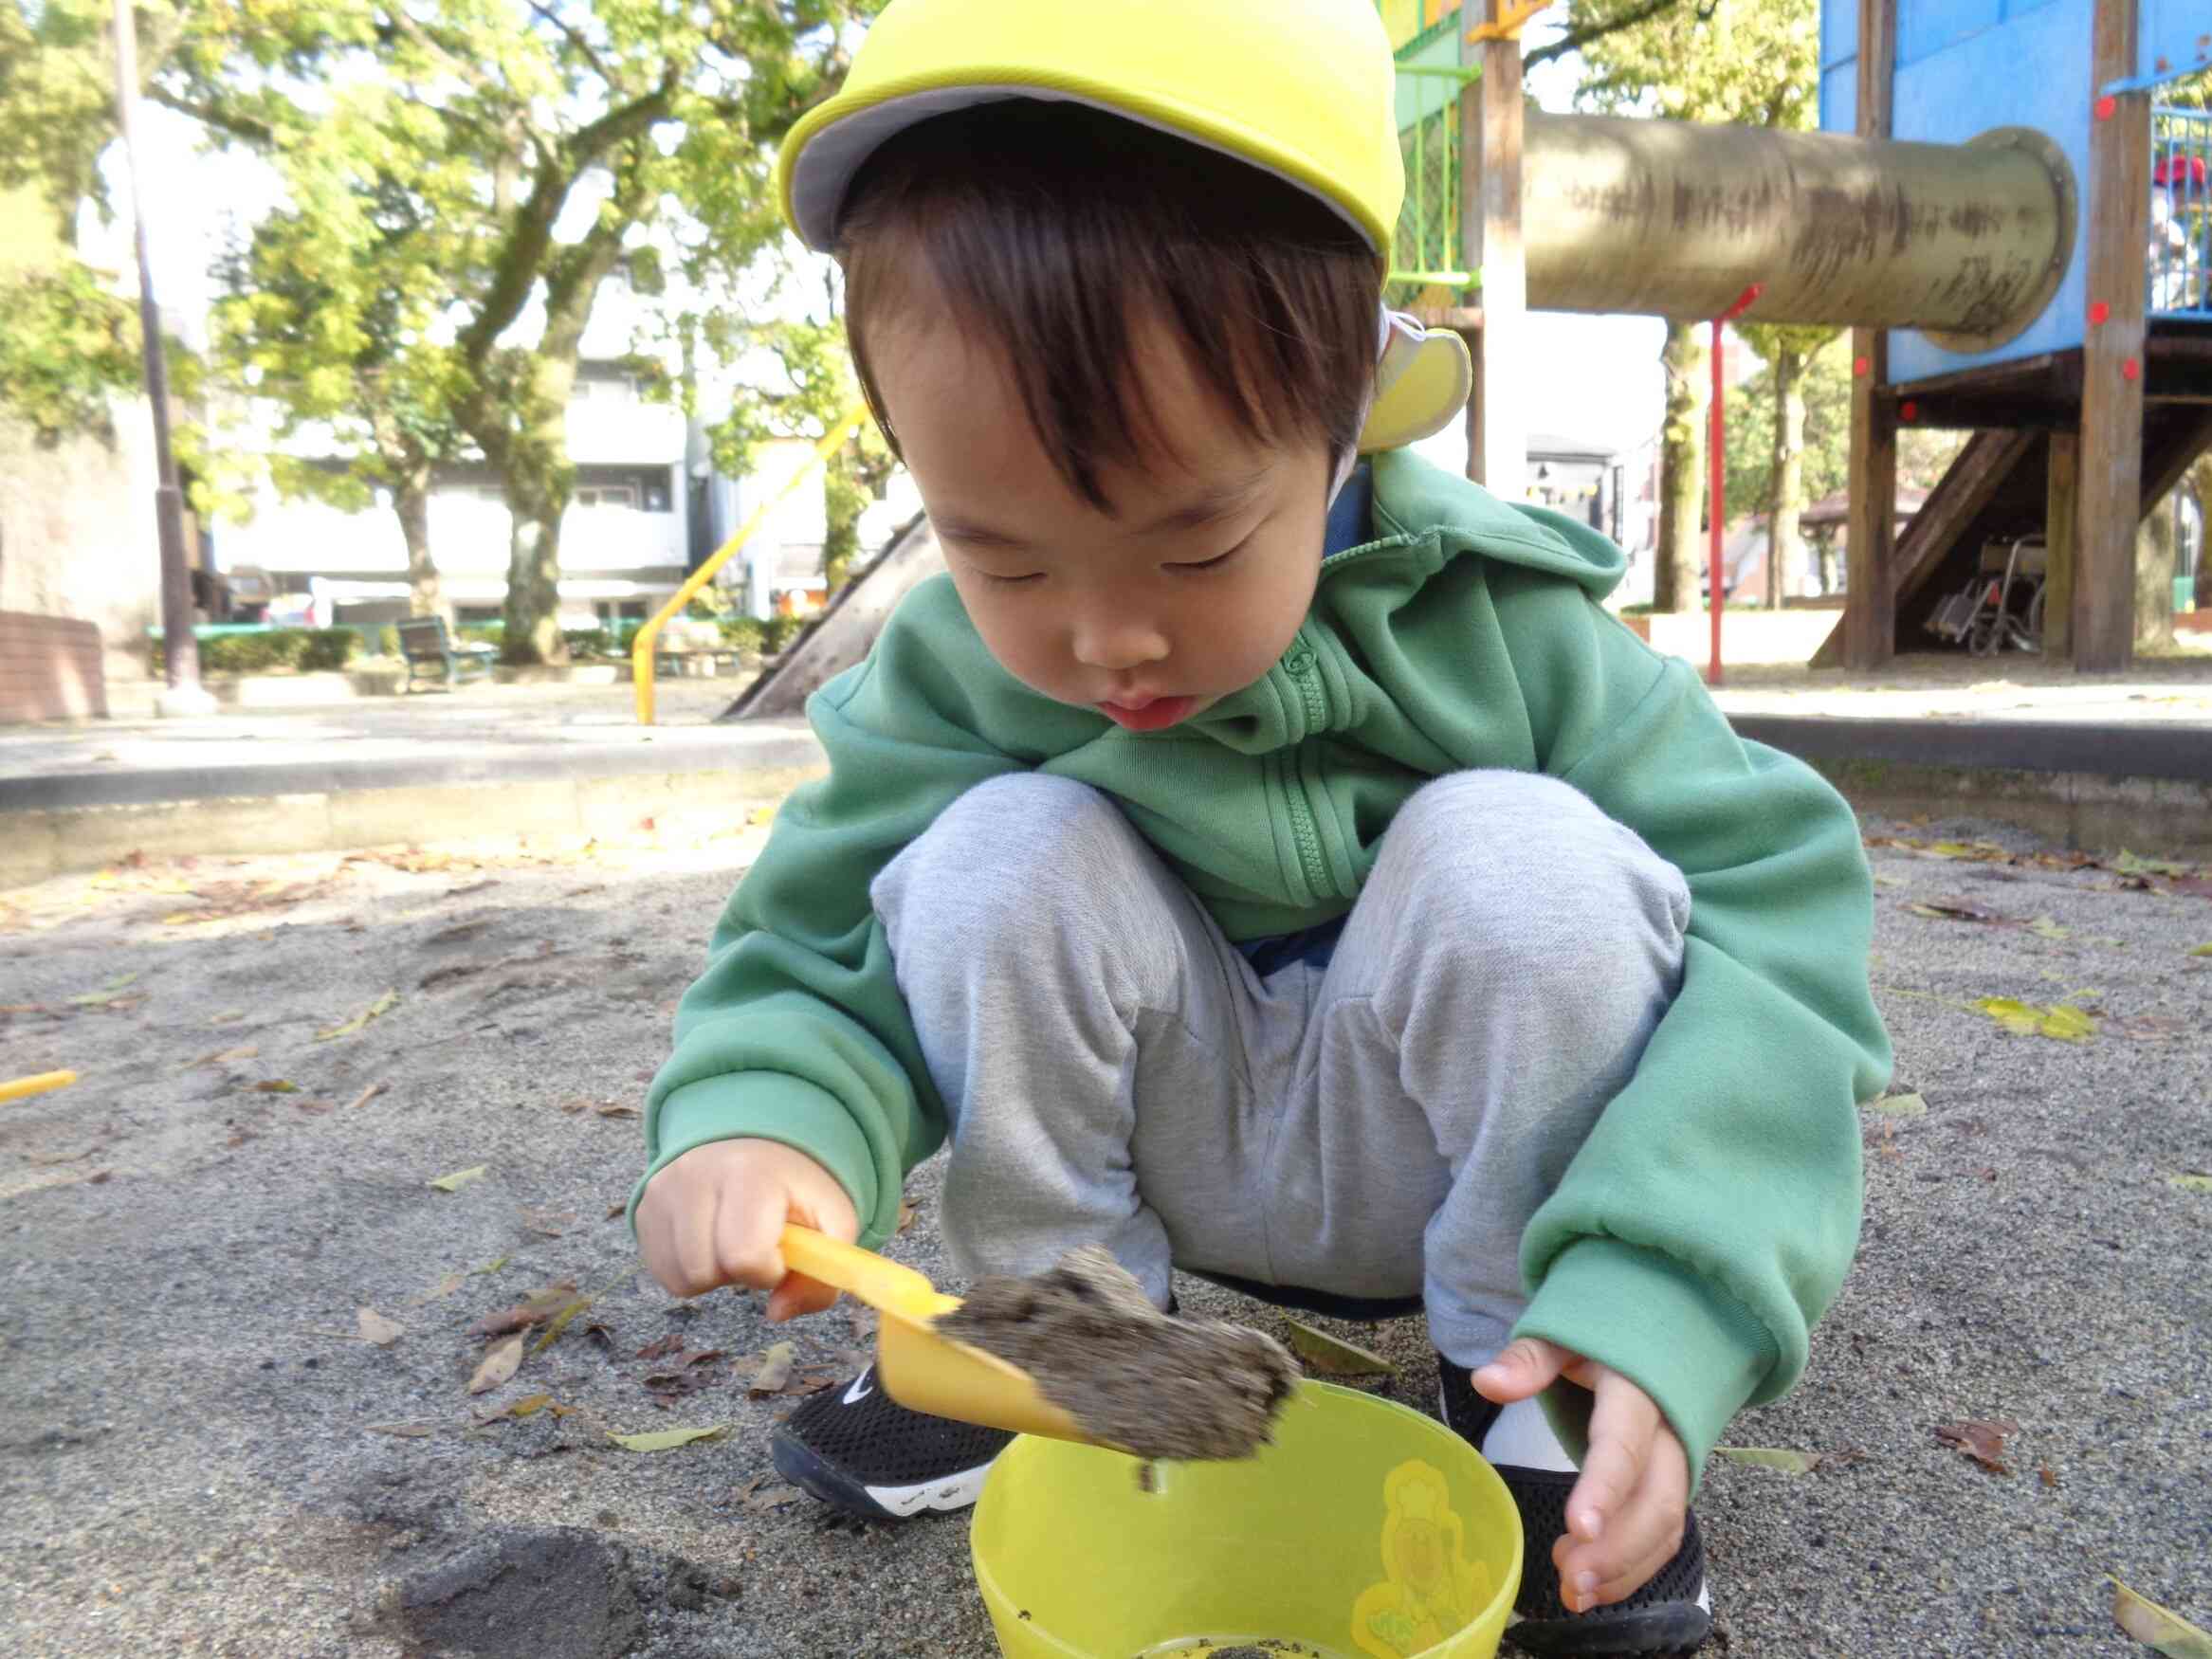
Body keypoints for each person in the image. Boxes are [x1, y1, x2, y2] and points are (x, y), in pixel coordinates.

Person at [631, 3, 1890, 1652]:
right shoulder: (944, 681)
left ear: (1349, 402)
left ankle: (1543, 1400)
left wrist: (1667, 1297)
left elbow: (1785, 936)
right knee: (1001, 850)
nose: (1106, 640)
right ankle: (1055, 1342)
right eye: (1004, 558)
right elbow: (815, 947)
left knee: (1518, 852)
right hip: (1170, 1145)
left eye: (1194, 544)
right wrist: (762, 1115)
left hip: (1454, 1156)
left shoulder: (1509, 628)